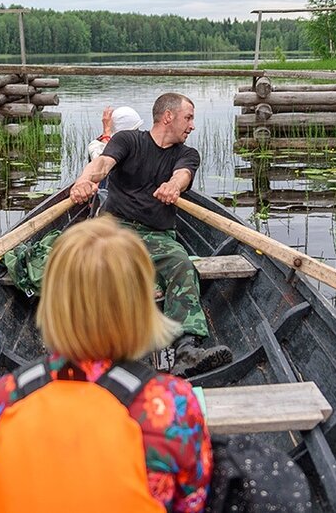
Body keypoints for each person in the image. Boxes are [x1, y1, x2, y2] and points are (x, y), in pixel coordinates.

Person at [0, 216, 211, 513]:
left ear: (52, 304)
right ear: (141, 307)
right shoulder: (172, 402)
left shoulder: (3, 396)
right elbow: (192, 503)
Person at [70, 93, 232, 378]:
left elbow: (181, 175)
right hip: (115, 229)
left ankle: (186, 350)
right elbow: (102, 165)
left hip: (157, 235)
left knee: (182, 264)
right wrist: (84, 181)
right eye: (189, 117)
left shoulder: (186, 153)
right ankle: (85, 348)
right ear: (168, 117)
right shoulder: (129, 140)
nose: (192, 126)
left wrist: (173, 186)